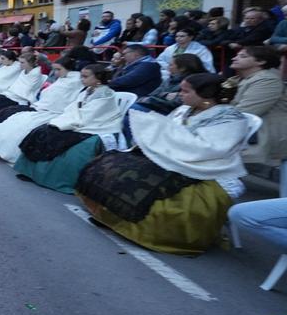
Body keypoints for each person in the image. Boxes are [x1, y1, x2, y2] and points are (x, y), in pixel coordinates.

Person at [76, 73, 254, 254]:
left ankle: (141, 229)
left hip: (204, 165)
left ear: (205, 95)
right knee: (115, 163)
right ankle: (110, 216)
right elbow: (170, 130)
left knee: (148, 181)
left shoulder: (230, 119)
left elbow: (210, 148)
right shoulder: (186, 109)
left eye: (185, 91)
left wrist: (165, 139)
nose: (180, 94)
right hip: (172, 155)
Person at [13, 63, 125, 193]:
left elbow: (94, 113)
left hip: (95, 125)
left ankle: (50, 179)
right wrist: (69, 118)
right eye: (81, 76)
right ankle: (30, 172)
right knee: (42, 131)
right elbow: (74, 107)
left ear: (98, 78)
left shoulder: (106, 93)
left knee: (66, 142)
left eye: (85, 77)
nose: (81, 79)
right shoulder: (88, 90)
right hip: (77, 120)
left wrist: (72, 121)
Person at [0, 57, 82, 164]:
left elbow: (63, 100)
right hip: (41, 107)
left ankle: (6, 152)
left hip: (53, 111)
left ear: (69, 69)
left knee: (24, 126)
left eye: (58, 69)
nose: (55, 73)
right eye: (54, 69)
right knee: (14, 119)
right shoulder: (63, 78)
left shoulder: (74, 82)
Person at [229, 46, 287, 177]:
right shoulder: (246, 78)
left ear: (261, 62)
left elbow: (246, 111)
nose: (234, 58)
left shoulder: (267, 80)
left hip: (268, 135)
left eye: (243, 56)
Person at [134, 53, 206, 115]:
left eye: (171, 65)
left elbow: (180, 103)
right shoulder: (170, 79)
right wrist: (165, 95)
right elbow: (154, 93)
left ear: (182, 68)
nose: (168, 67)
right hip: (157, 105)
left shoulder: (194, 82)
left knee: (131, 109)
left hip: (173, 113)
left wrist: (158, 97)